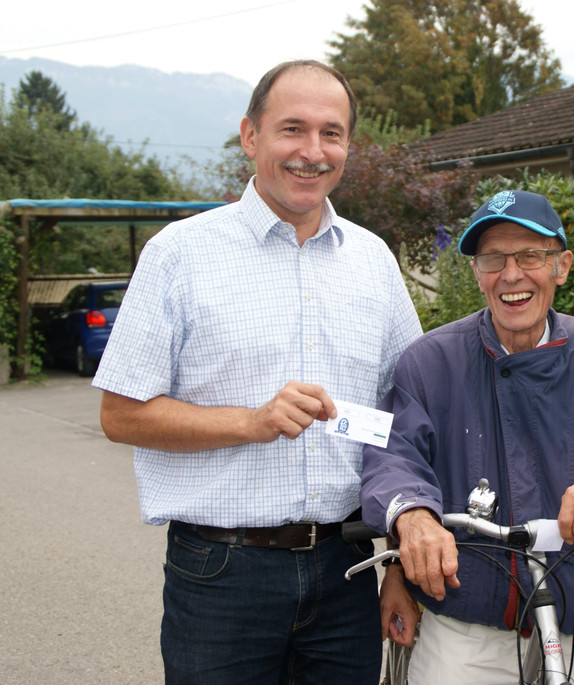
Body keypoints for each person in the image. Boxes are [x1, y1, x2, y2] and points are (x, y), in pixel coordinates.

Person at [92, 60, 422, 684]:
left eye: (332, 133)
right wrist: (252, 420)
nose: (312, 152)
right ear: (250, 136)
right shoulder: (179, 255)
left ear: (349, 144)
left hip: (347, 567)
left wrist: (400, 566)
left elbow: (405, 420)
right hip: (222, 574)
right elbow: (120, 414)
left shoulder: (373, 261)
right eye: (292, 129)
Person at [361, 189, 574, 684]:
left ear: (561, 265)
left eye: (531, 256)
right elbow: (393, 456)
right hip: (468, 608)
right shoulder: (432, 360)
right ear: (476, 271)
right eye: (493, 258)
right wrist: (412, 515)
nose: (511, 275)